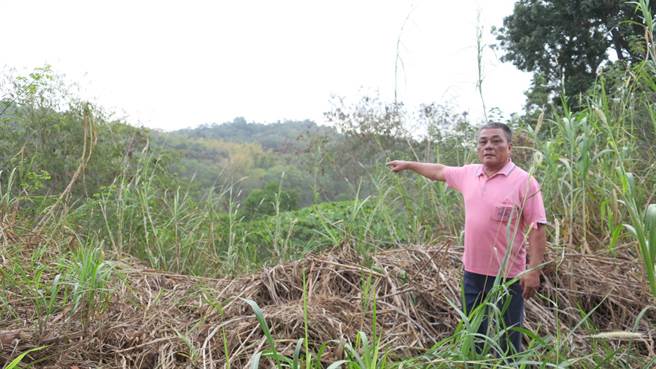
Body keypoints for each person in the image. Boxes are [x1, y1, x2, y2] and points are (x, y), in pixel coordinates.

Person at [387, 122, 547, 353]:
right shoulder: (470, 174)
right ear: (477, 148)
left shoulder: (525, 181)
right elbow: (439, 171)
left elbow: (537, 228)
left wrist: (533, 271)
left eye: (496, 141)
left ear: (509, 147)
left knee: (509, 338)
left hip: (508, 276)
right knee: (473, 335)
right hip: (472, 273)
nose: (488, 146)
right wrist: (409, 164)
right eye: (483, 142)